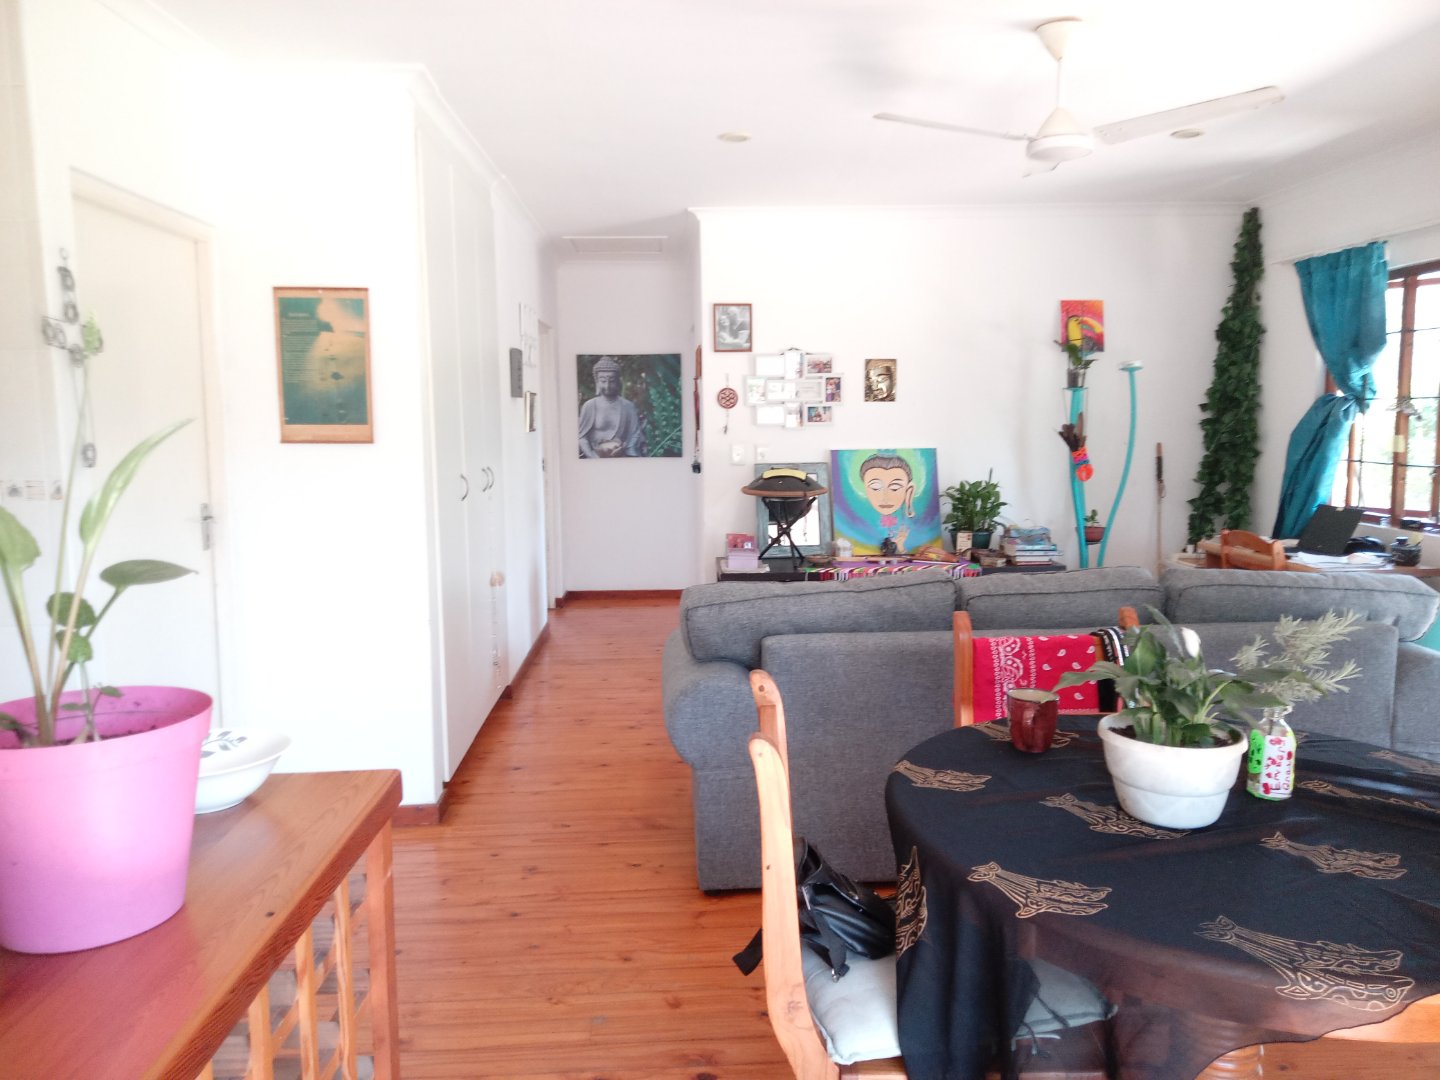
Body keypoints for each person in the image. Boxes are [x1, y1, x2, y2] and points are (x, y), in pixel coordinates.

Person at [578, 356, 643, 458]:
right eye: (603, 381)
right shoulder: (590, 406)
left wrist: (626, 448)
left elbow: (635, 434)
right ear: (597, 382)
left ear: (617, 381)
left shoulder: (628, 406)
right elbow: (582, 437)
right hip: (595, 456)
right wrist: (593, 456)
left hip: (622, 456)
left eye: (612, 381)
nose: (607, 386)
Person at [859, 452, 915, 551]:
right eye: (875, 487)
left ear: (909, 491)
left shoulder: (914, 527)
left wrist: (901, 547)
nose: (885, 498)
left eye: (894, 488)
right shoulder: (857, 527)